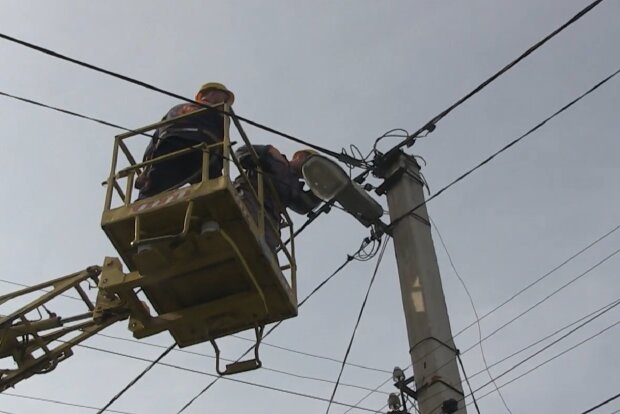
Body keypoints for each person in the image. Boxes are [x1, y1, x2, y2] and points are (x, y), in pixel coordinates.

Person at [135, 82, 235, 199]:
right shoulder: (221, 116)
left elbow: (155, 139)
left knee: (154, 188)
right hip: (201, 151)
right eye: (222, 97)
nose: (223, 102)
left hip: (171, 147)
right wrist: (220, 166)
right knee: (214, 190)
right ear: (208, 94)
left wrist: (146, 170)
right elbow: (222, 144)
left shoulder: (175, 109)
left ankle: (144, 199)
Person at [234, 145, 321, 251]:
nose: (312, 170)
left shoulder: (294, 186)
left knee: (266, 252)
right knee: (244, 227)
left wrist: (323, 188)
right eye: (311, 163)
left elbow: (304, 206)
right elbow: (241, 151)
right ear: (299, 155)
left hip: (269, 220)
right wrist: (264, 153)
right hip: (248, 197)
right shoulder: (274, 157)